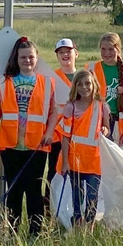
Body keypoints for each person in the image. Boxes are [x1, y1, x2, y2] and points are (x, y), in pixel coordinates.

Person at [0, 37, 59, 236]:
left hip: (37, 145)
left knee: (34, 190)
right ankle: (12, 232)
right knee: (13, 190)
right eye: (23, 57)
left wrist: (48, 132)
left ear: (37, 59)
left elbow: (53, 111)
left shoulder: (47, 83)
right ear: (16, 58)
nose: (27, 60)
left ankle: (35, 233)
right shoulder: (4, 82)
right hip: (11, 145)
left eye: (31, 57)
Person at [59, 69, 110, 227]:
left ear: (94, 84)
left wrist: (104, 130)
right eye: (80, 84)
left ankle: (90, 226)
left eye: (87, 83)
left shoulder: (102, 107)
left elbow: (107, 128)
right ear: (75, 86)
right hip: (75, 160)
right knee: (77, 195)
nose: (84, 87)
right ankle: (77, 223)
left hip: (94, 160)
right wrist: (65, 162)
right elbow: (65, 136)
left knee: (92, 196)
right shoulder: (71, 108)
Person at [44, 38, 78, 216]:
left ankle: (72, 211)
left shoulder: (83, 77)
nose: (65, 55)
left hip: (79, 136)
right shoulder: (52, 78)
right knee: (54, 173)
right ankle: (49, 212)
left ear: (75, 53)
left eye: (68, 51)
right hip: (57, 135)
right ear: (57, 56)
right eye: (61, 52)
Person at [91, 32, 123, 141]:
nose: (107, 53)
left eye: (111, 49)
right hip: (97, 118)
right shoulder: (93, 68)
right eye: (103, 49)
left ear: (118, 49)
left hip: (117, 120)